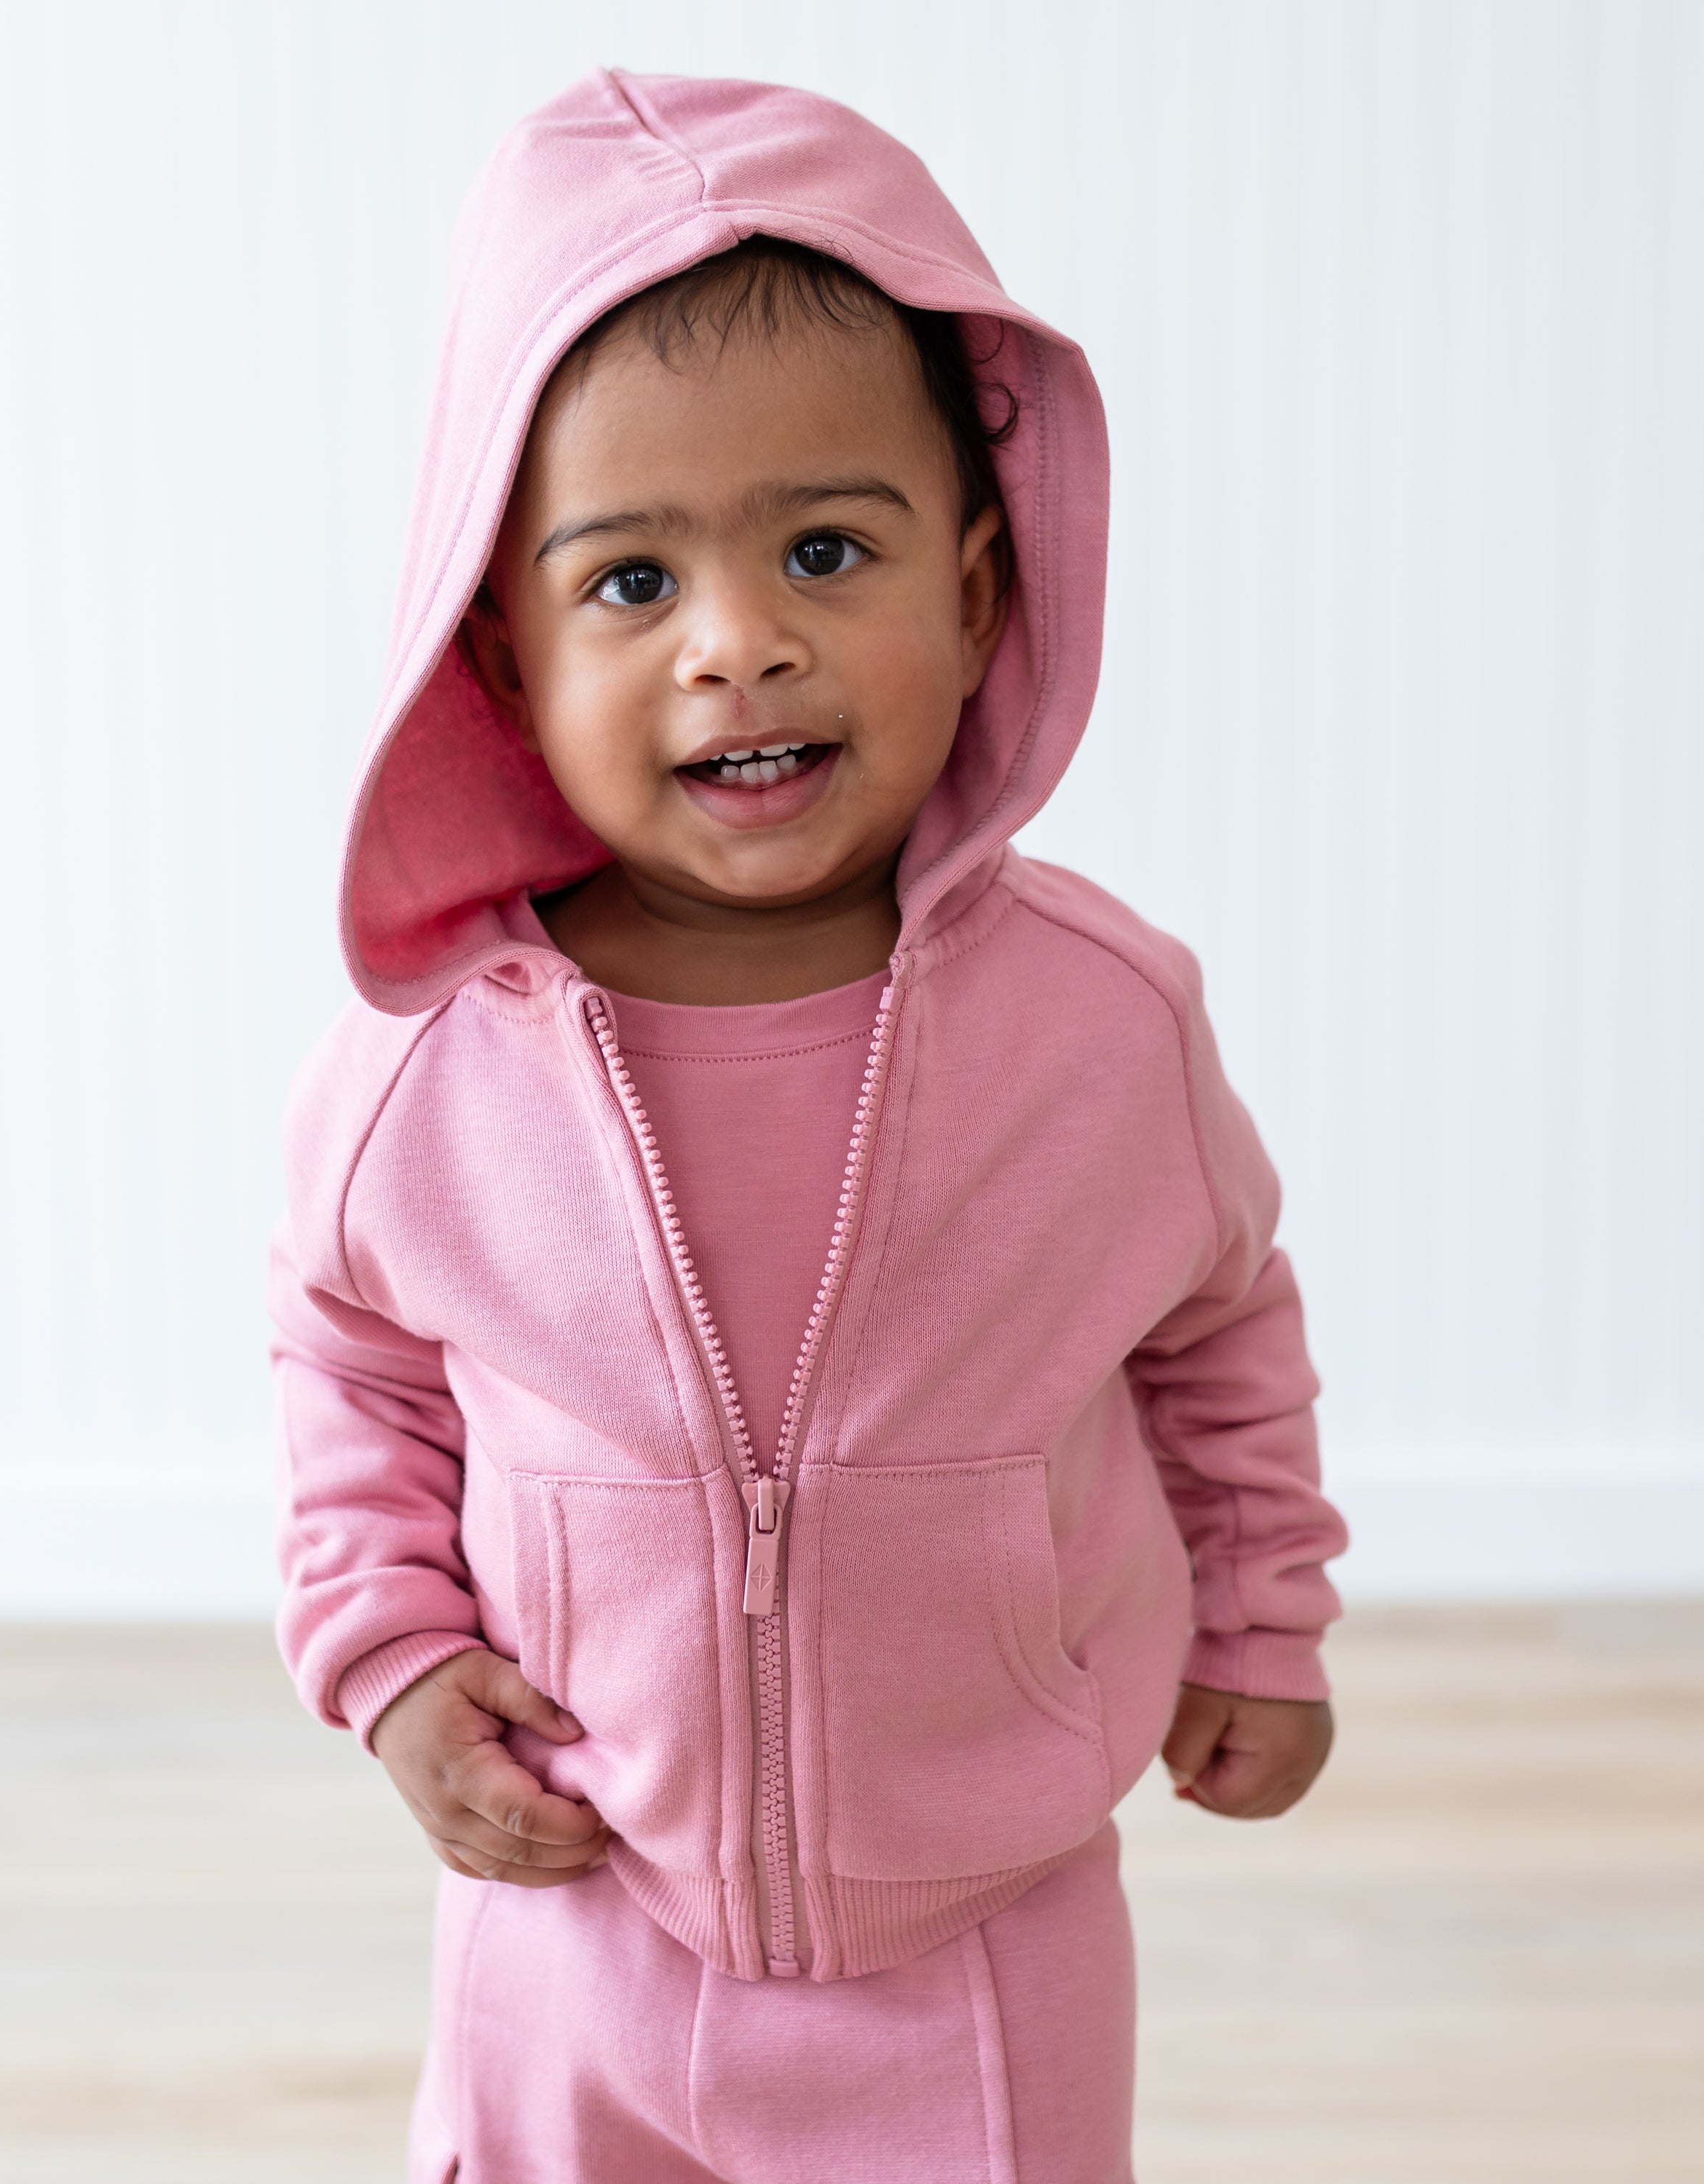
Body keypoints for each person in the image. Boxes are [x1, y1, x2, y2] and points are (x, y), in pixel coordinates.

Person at [272, 69, 1346, 2184]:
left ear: (979, 589)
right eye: (628, 583)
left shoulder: (1105, 1027)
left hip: (987, 1932)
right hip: (572, 1910)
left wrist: (1263, 1620)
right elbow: (353, 1372)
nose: (739, 645)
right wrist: (390, 1657)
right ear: (501, 650)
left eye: (826, 552)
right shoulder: (430, 1070)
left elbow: (1221, 1326)